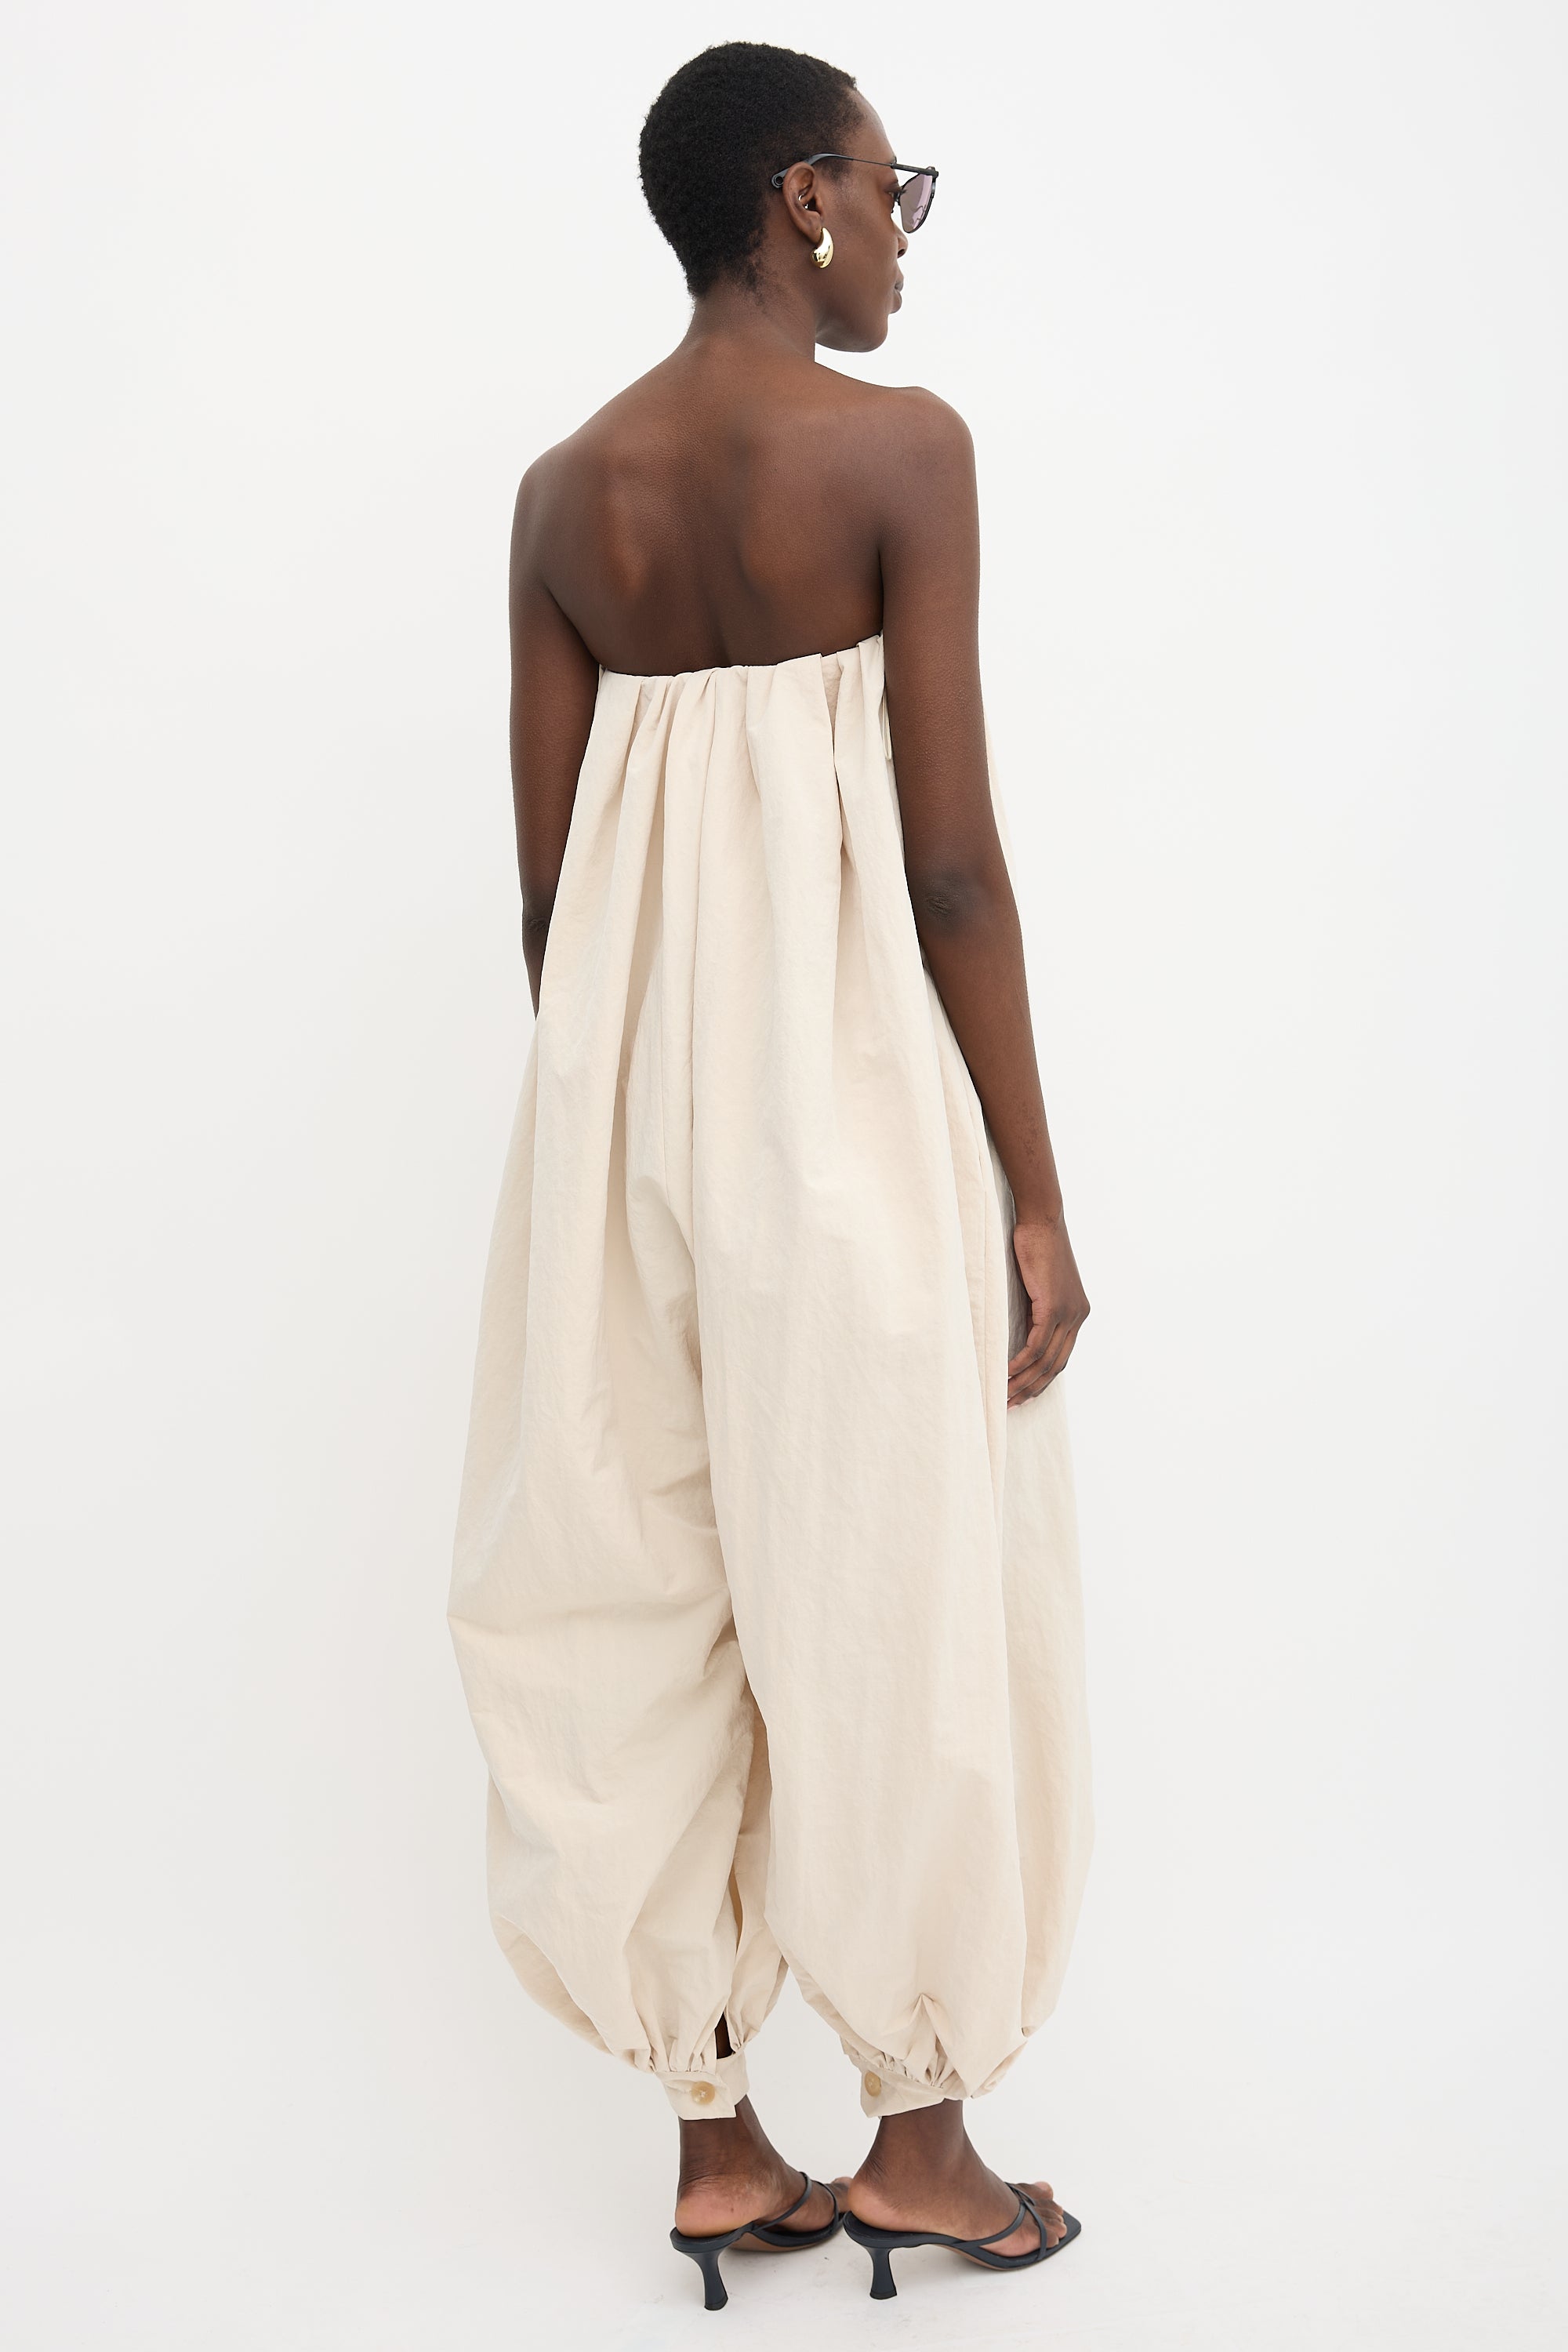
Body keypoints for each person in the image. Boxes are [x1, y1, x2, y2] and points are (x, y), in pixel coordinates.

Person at [447, 38, 1094, 2310]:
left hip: (618, 1122)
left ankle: (718, 2144)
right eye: (895, 188)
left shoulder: (564, 497)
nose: (906, 233)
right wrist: (1033, 1190)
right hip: (853, 1113)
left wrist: (632, 1121)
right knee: (891, 1578)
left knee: (627, 1586)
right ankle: (920, 2140)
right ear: (802, 197)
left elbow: (552, 900)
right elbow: (952, 865)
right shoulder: (901, 452)